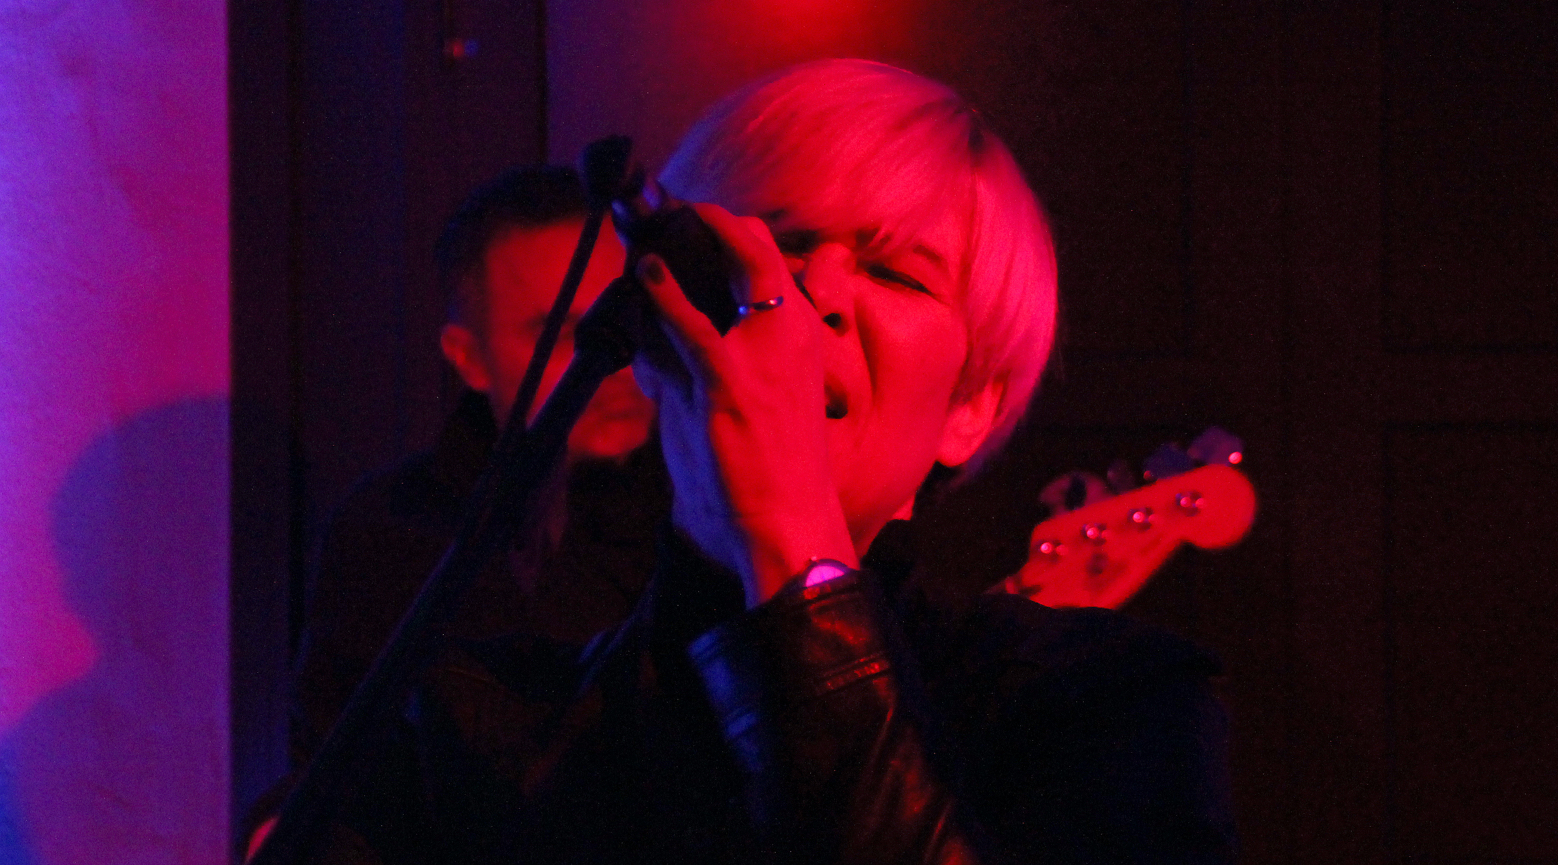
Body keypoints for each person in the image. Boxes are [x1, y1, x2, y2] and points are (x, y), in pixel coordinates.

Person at [310, 60, 1236, 864]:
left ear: (969, 408)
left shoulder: (1108, 707)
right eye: (780, 244)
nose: (813, 293)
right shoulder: (471, 729)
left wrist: (793, 552)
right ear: (660, 327)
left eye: (898, 273)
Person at [291, 165, 662, 762]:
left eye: (624, 320)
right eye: (559, 333)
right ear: (470, 359)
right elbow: (334, 770)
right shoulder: (389, 538)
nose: (614, 361)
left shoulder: (723, 507)